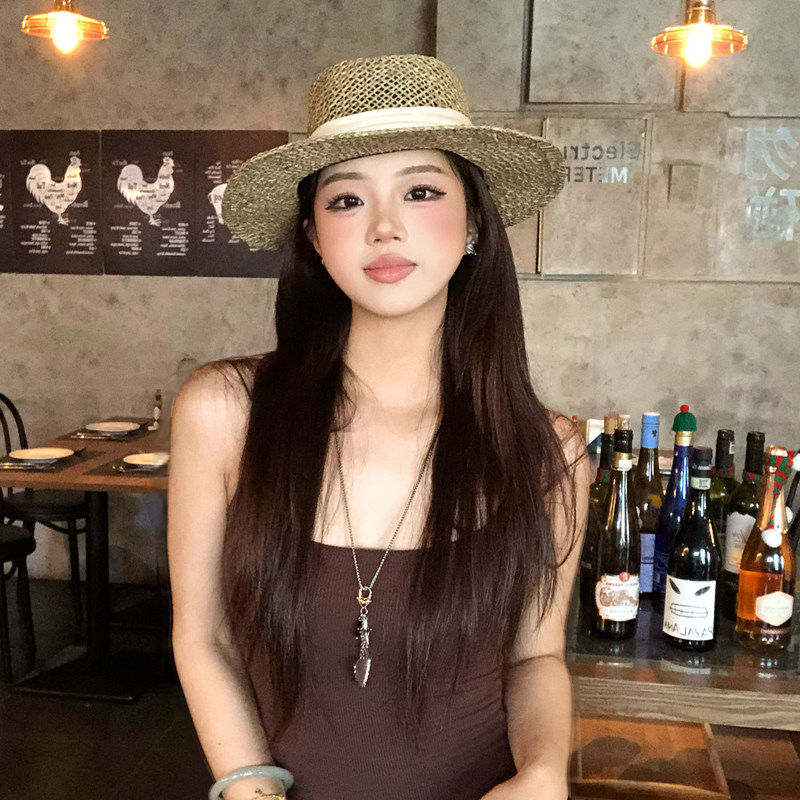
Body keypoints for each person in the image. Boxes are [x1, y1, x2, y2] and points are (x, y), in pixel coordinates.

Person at [167, 54, 590, 800]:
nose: (385, 227)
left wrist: (545, 771)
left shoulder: (547, 452)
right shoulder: (224, 412)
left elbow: (534, 658)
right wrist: (247, 785)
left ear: (474, 224)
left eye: (420, 191)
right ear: (313, 237)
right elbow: (204, 636)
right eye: (346, 200)